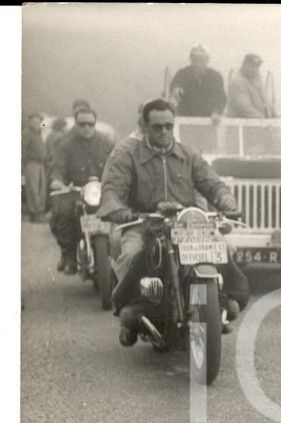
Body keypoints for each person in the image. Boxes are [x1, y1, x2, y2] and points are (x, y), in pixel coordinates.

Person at [97, 99, 249, 342]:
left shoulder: (188, 155)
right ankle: (132, 311)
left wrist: (224, 198)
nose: (164, 131)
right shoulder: (128, 154)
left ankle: (221, 301)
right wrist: (119, 209)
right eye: (157, 127)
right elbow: (112, 188)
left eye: (169, 126)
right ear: (145, 127)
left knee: (225, 247)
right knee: (131, 253)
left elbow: (211, 182)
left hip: (186, 225)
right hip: (144, 222)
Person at [48, 106, 116, 274]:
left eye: (90, 124)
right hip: (75, 191)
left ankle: (117, 256)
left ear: (95, 124)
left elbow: (118, 162)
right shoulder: (65, 145)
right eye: (82, 124)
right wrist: (57, 181)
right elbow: (57, 166)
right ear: (76, 125)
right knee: (62, 214)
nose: (86, 127)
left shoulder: (106, 142)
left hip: (101, 190)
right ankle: (70, 253)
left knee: (120, 214)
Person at [168, 44, 227, 122]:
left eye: (202, 61)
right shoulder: (182, 73)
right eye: (195, 61)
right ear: (191, 60)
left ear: (207, 60)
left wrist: (217, 112)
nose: (198, 64)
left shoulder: (215, 76)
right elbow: (176, 84)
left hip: (209, 121)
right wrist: (176, 89)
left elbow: (221, 98)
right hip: (186, 121)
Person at [226, 53, 272, 118]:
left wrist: (273, 114)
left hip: (258, 123)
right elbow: (244, 108)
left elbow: (265, 99)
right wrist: (262, 120)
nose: (256, 69)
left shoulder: (257, 78)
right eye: (252, 65)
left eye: (258, 66)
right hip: (241, 124)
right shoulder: (237, 81)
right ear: (244, 64)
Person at [22, 113, 47, 223]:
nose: (37, 124)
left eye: (38, 122)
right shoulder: (27, 134)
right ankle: (35, 213)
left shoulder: (38, 133)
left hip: (41, 164)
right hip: (32, 163)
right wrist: (25, 164)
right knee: (33, 189)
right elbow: (23, 150)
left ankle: (39, 212)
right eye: (34, 122)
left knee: (41, 189)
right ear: (30, 122)